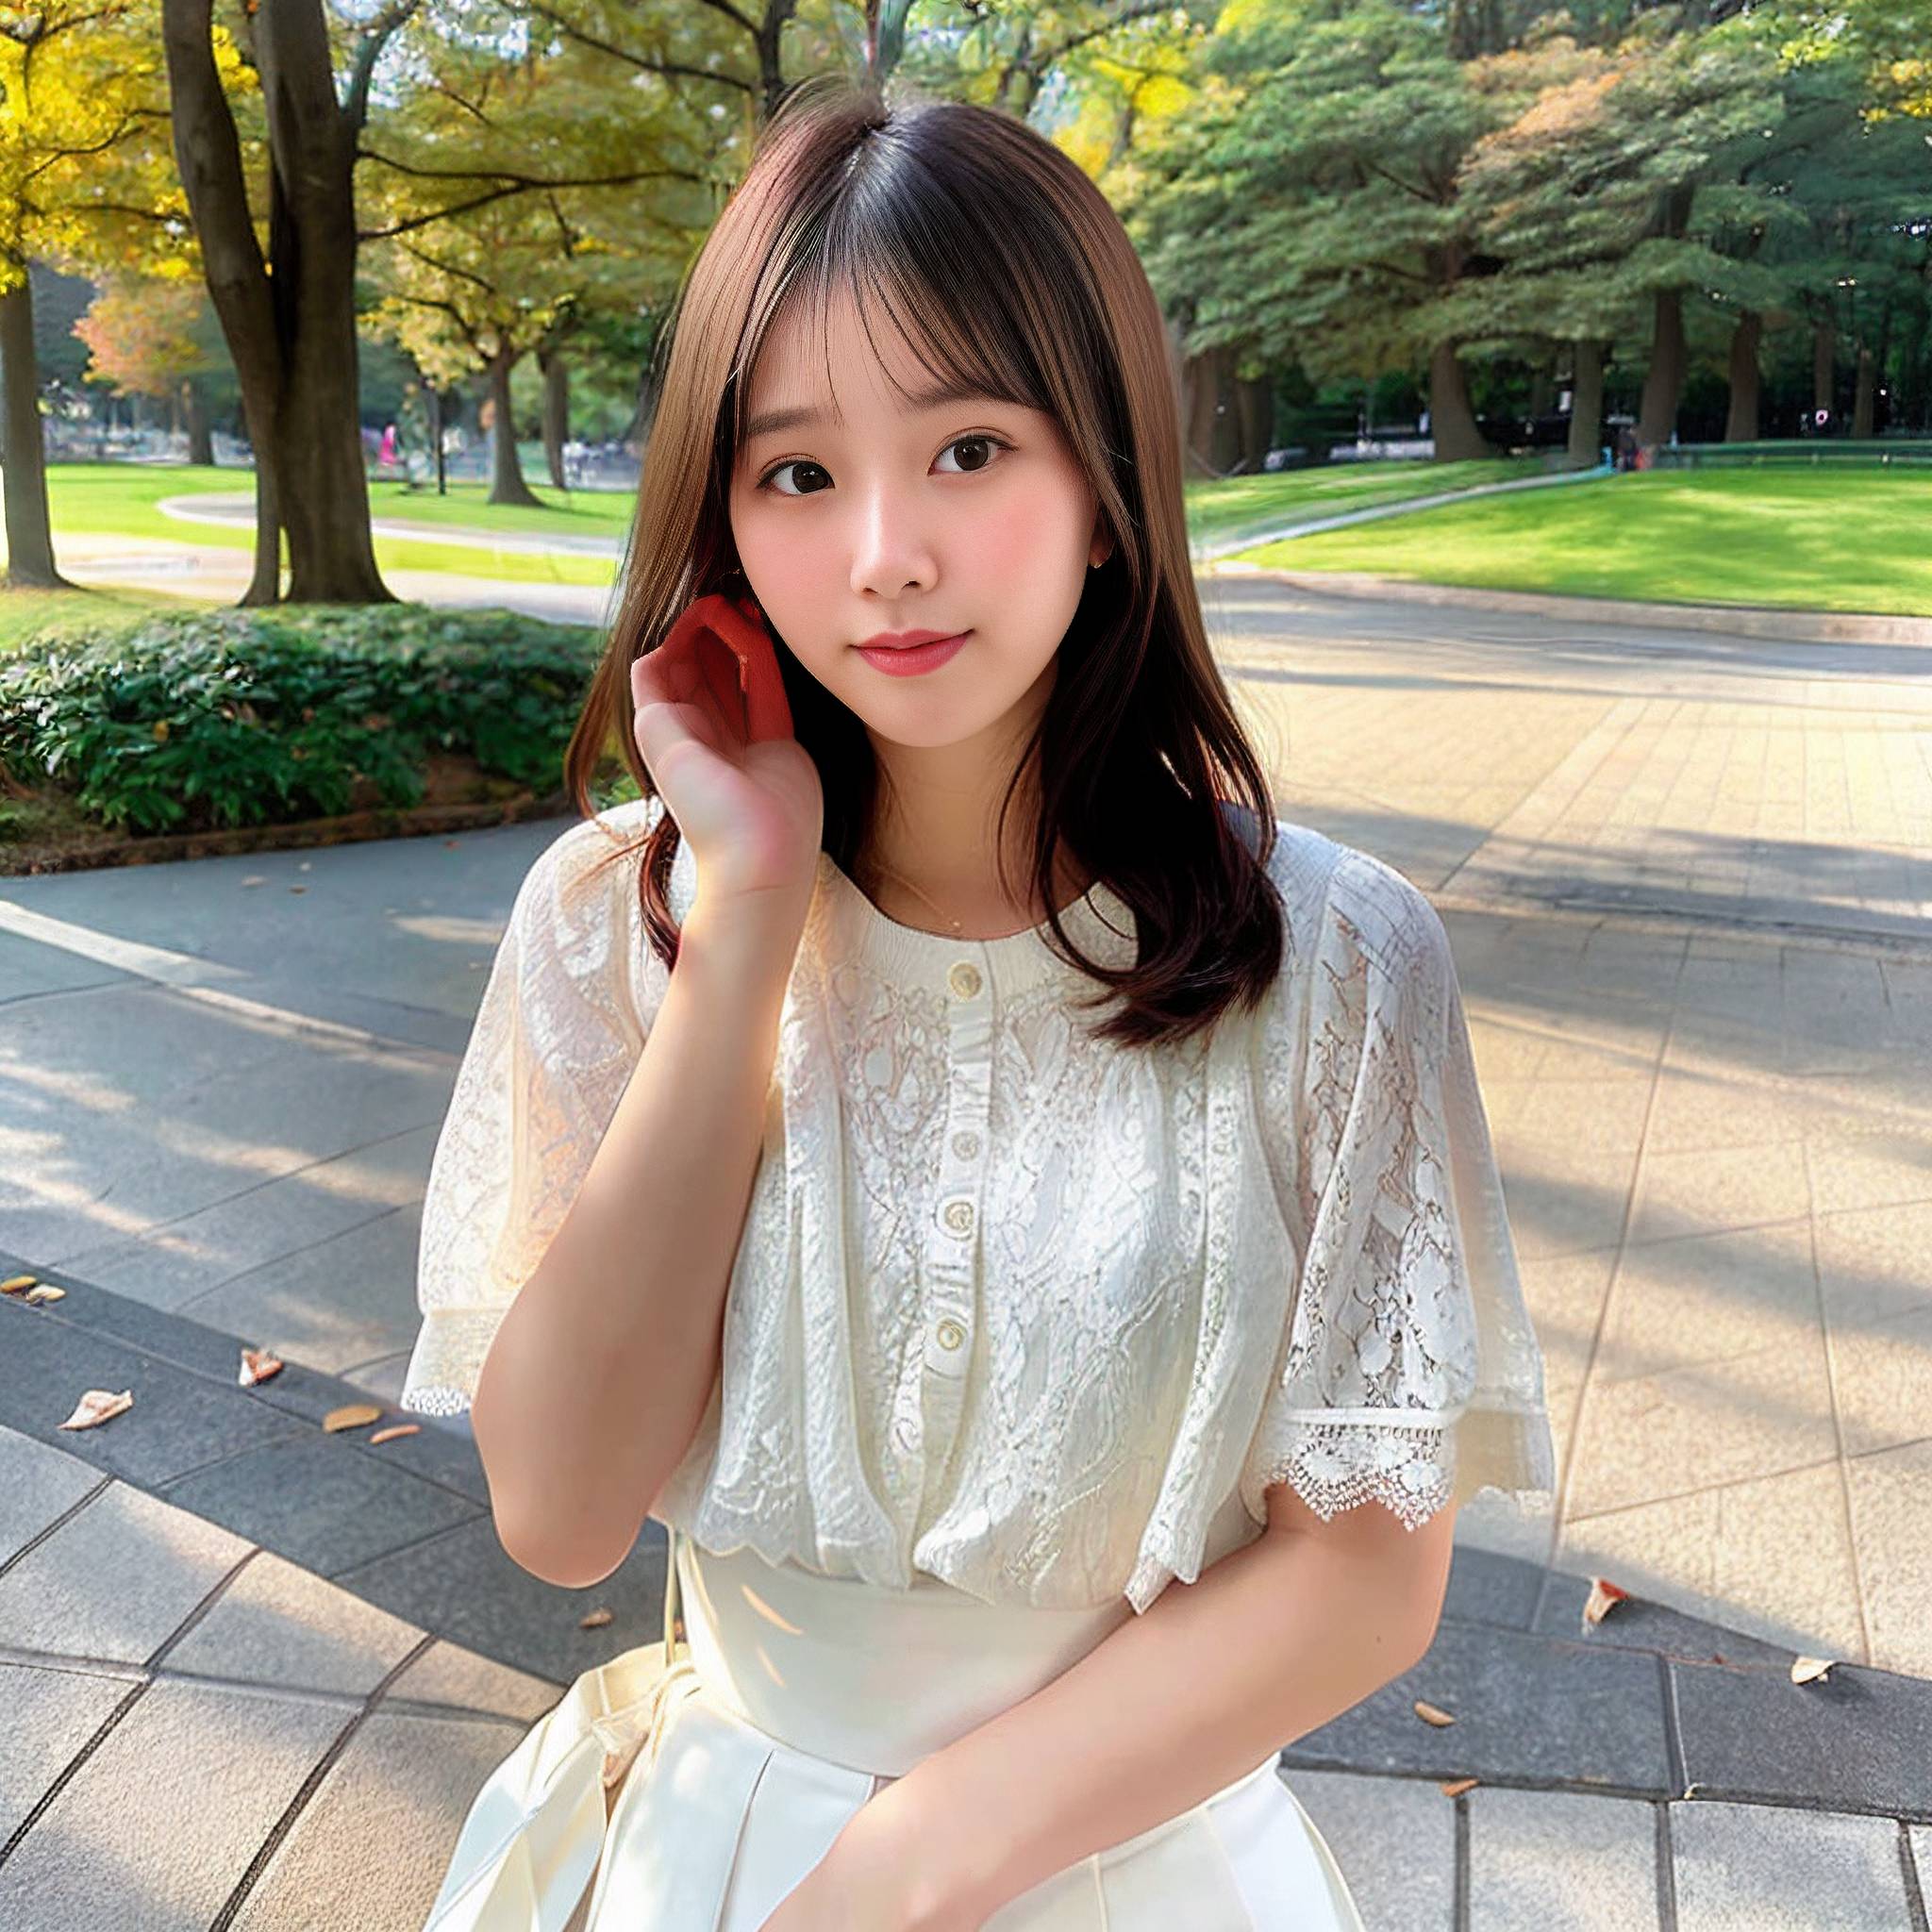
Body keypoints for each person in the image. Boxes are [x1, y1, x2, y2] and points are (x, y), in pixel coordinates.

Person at [399, 74, 1556, 1932]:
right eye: (798, 473)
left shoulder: (1335, 958)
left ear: (1104, 487)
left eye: (968, 448)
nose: (885, 552)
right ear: (726, 517)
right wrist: (748, 911)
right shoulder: (612, 917)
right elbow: (560, 1508)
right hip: (711, 1843)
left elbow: (1359, 1571)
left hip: (1138, 1872)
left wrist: (897, 1876)